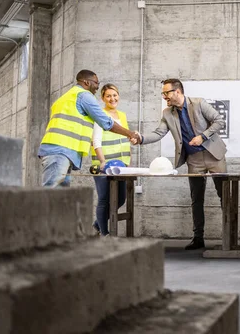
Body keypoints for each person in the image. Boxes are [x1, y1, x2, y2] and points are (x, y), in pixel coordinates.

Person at [134, 78, 227, 250]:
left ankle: (228, 238)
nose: (164, 97)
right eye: (163, 93)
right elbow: (159, 133)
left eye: (166, 93)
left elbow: (219, 121)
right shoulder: (167, 113)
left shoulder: (199, 103)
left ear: (177, 91)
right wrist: (141, 139)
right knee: (196, 199)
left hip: (214, 155)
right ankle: (198, 238)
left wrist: (203, 136)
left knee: (225, 196)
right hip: (194, 160)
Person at [38, 70, 139, 187]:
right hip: (60, 151)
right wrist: (130, 134)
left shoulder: (67, 97)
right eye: (96, 82)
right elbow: (106, 122)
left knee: (59, 196)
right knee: (49, 193)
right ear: (86, 82)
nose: (97, 86)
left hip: (60, 150)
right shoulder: (84, 96)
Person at [90, 84, 130, 236]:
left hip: (122, 165)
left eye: (115, 95)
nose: (112, 98)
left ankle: (96, 224)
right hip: (104, 164)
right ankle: (105, 234)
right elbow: (96, 141)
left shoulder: (122, 116)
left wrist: (128, 162)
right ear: (103, 98)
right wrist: (102, 162)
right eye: (108, 96)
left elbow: (124, 139)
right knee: (104, 199)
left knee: (120, 199)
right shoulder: (100, 114)